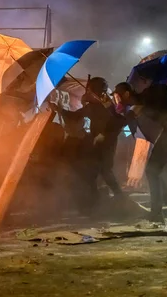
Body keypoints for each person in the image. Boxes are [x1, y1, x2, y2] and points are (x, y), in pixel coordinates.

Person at [113, 81, 167, 222]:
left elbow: (154, 122)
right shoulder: (145, 100)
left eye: (119, 96)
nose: (119, 100)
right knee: (154, 170)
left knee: (152, 170)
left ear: (127, 94)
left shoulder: (145, 101)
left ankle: (157, 212)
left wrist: (130, 115)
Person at [54, 77, 127, 213]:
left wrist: (103, 134)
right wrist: (61, 109)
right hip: (99, 142)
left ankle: (114, 199)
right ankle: (99, 202)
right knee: (96, 171)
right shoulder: (95, 106)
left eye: (90, 90)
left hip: (106, 142)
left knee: (102, 170)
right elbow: (76, 116)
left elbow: (118, 122)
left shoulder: (107, 106)